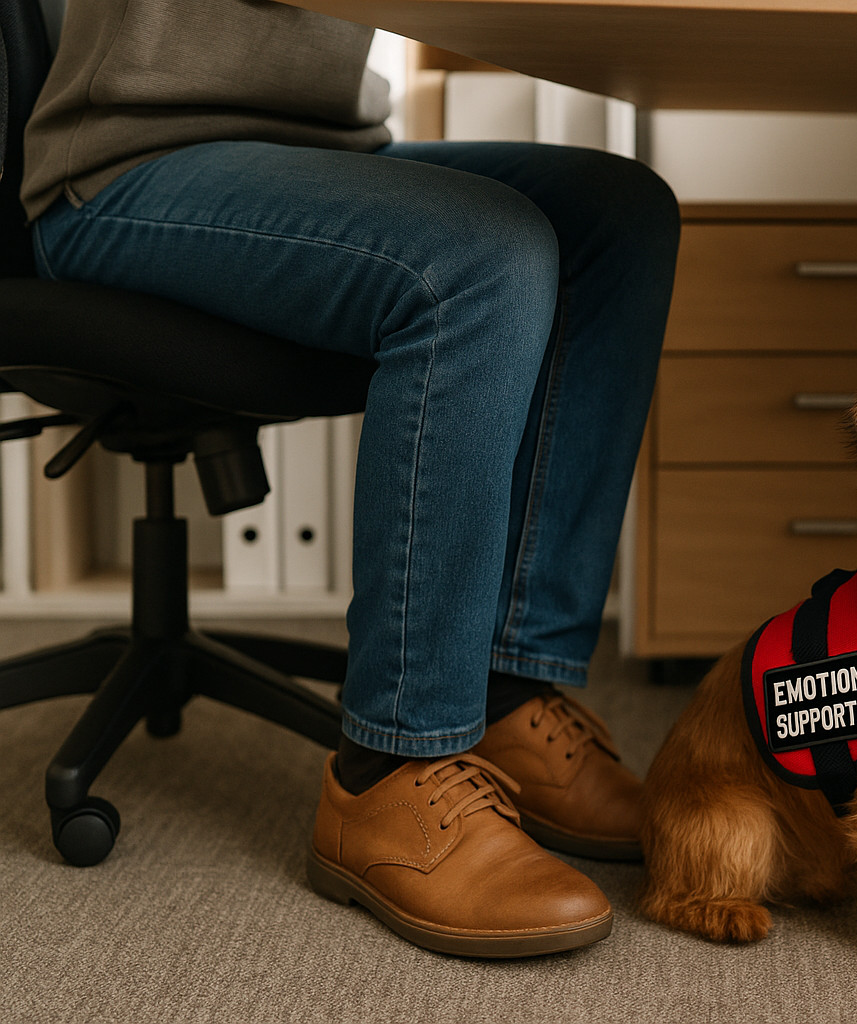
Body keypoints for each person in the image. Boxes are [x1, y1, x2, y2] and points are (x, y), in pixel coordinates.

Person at [21, 0, 680, 958]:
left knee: (619, 218)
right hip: (125, 165)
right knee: (482, 255)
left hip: (323, 153)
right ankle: (389, 769)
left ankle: (502, 693)